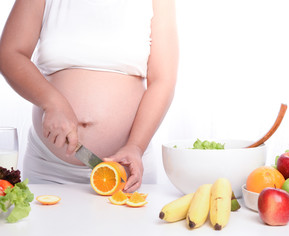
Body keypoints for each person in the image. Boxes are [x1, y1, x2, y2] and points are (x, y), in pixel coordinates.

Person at [0, 0, 178, 193]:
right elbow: (10, 53)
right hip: (49, 170)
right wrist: (52, 102)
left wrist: (136, 146)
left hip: (125, 171)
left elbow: (163, 80)